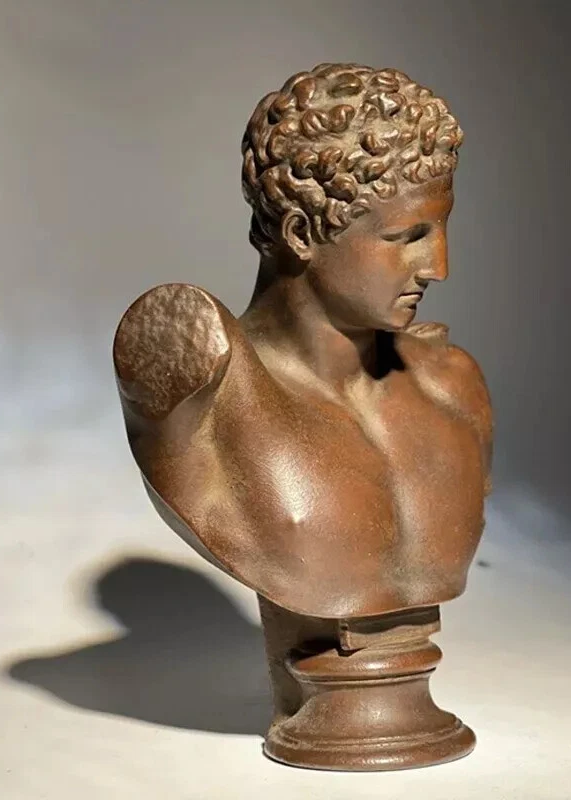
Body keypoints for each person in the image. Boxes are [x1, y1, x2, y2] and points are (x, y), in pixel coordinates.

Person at [114, 63, 493, 618]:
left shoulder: (454, 386)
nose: (438, 267)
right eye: (405, 236)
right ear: (301, 233)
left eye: (439, 230)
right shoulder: (203, 389)